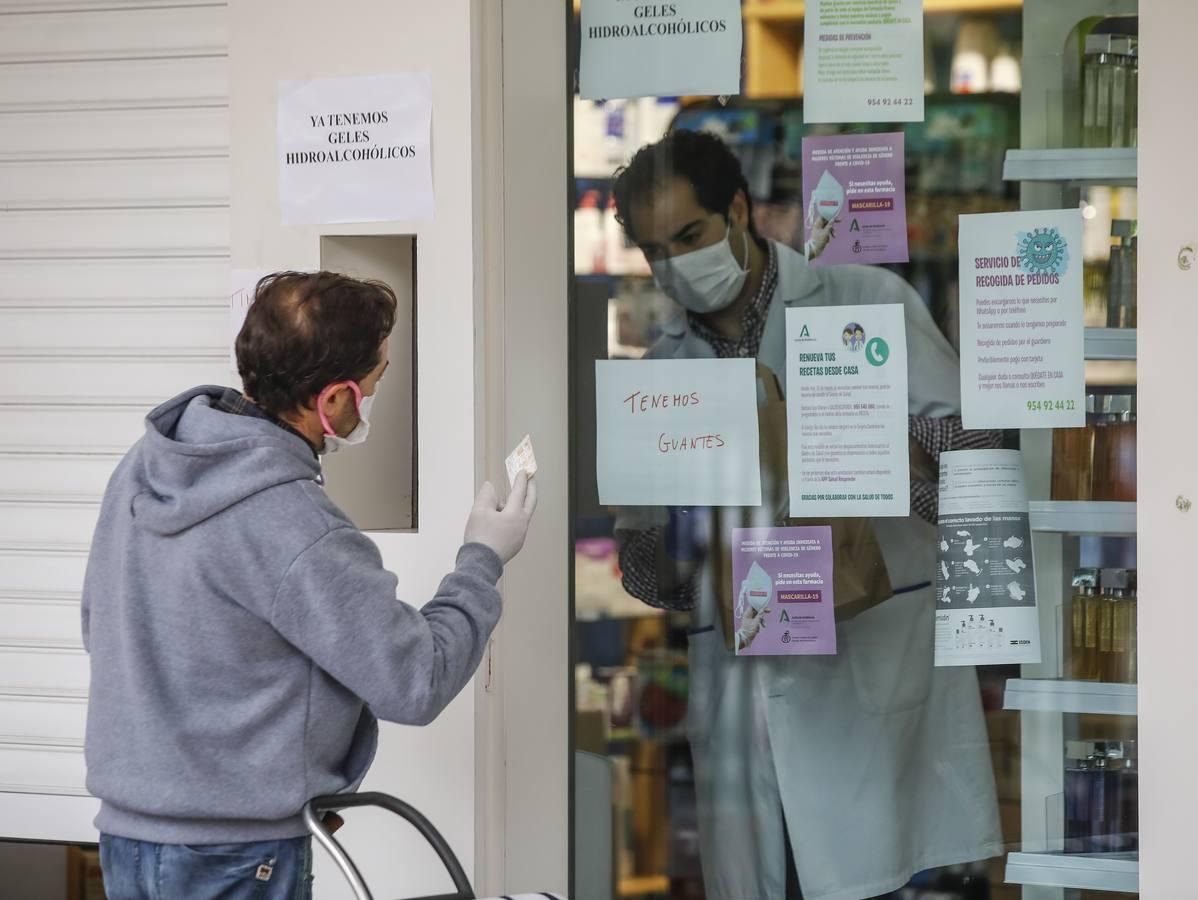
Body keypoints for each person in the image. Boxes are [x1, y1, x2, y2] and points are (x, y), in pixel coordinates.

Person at [610, 131, 1002, 900]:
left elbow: (977, 466)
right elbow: (639, 565)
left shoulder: (868, 302)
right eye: (656, 252)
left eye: (689, 236)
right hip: (747, 709)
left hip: (874, 688)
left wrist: (861, 443)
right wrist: (695, 554)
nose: (675, 265)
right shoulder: (660, 376)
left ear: (738, 209)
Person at [82, 272, 537, 899]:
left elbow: (108, 627)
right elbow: (415, 679)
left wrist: (279, 765)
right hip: (235, 859)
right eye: (372, 386)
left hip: (127, 843)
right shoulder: (296, 524)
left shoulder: (145, 470)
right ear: (332, 402)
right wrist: (482, 558)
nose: (371, 399)